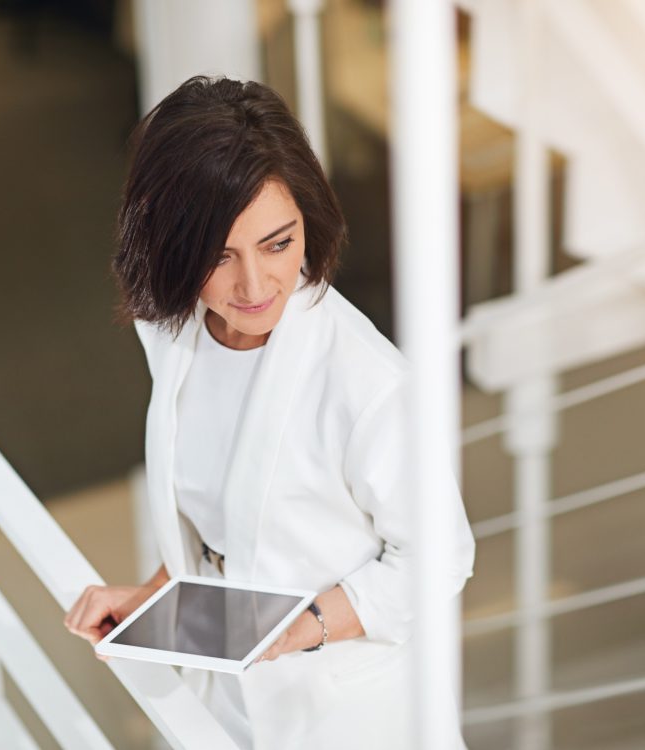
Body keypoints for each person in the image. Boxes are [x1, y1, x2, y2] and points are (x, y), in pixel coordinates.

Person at [63, 75, 475, 749]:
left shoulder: (366, 383)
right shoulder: (174, 332)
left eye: (278, 244)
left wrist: (298, 628)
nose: (253, 287)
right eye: (217, 256)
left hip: (345, 710)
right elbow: (228, 525)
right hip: (230, 690)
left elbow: (440, 556)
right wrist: (159, 603)